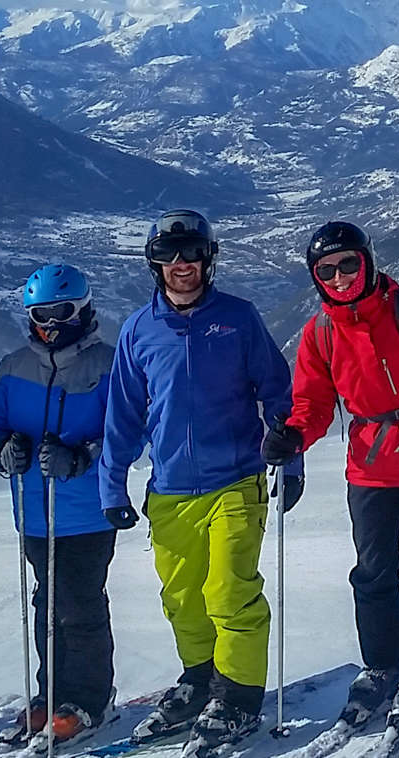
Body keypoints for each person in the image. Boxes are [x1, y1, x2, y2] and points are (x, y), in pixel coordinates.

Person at [260, 221, 399, 733]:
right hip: (371, 462)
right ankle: (382, 664)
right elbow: (312, 402)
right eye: (328, 271)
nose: (340, 278)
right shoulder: (320, 334)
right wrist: (294, 435)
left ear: (369, 262)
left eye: (349, 265)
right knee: (372, 571)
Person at [100, 210, 303, 753]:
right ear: (154, 263)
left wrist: (293, 455)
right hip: (169, 490)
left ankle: (237, 694)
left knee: (229, 591)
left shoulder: (238, 318)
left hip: (235, 479)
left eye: (191, 253)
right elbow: (123, 414)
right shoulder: (138, 330)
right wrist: (111, 483)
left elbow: (278, 392)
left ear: (208, 259)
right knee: (183, 598)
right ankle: (201, 677)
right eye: (169, 255)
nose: (181, 264)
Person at [0, 263, 118, 750]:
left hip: (88, 510)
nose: (48, 324)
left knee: (79, 603)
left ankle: (90, 699)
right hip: (34, 510)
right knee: (47, 605)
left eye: (58, 312)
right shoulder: (14, 368)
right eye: (38, 314)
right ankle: (52, 691)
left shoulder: (105, 366)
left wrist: (82, 457)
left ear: (80, 309)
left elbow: (127, 433)